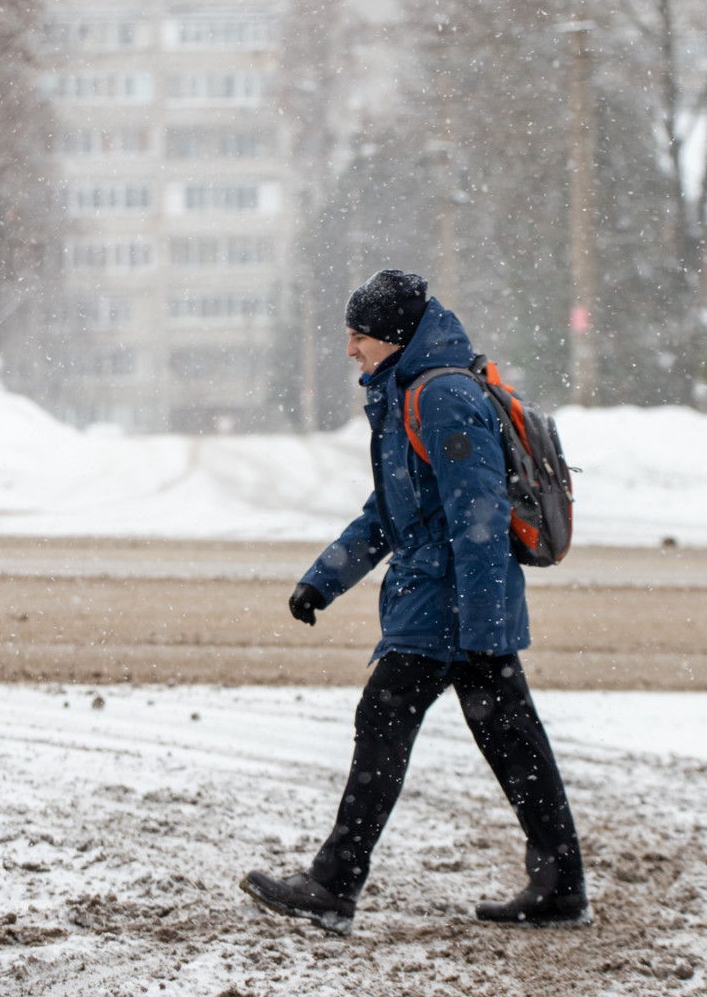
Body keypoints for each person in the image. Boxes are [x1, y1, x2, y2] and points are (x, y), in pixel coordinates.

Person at [241, 269, 588, 936]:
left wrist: (484, 627)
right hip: (443, 600)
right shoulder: (406, 392)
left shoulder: (443, 398)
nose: (350, 349)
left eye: (359, 336)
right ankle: (560, 885)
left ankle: (334, 884)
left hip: (449, 607)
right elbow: (391, 512)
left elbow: (479, 517)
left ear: (394, 336)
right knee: (512, 741)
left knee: (385, 721)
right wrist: (324, 578)